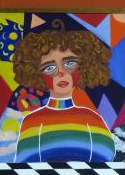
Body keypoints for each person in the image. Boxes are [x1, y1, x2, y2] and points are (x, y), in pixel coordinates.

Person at [12, 27, 115, 162]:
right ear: (36, 73)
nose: (61, 73)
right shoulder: (32, 121)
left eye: (70, 63)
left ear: (84, 67)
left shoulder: (91, 118)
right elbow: (25, 162)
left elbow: (106, 158)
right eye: (50, 68)